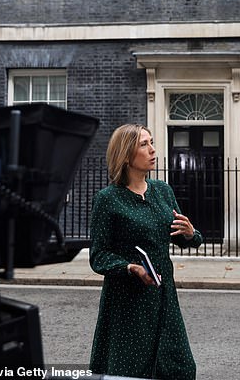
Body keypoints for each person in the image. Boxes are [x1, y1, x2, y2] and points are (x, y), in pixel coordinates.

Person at [89, 124, 203, 379]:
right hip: (128, 301)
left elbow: (186, 239)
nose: (152, 150)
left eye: (151, 142)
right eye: (144, 144)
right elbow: (98, 256)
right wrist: (131, 268)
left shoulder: (163, 191)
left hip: (164, 295)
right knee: (130, 370)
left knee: (180, 367)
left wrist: (190, 233)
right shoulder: (108, 199)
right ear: (126, 154)